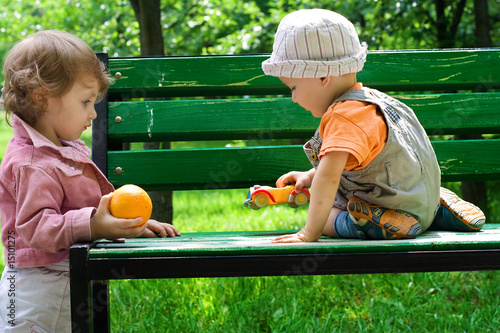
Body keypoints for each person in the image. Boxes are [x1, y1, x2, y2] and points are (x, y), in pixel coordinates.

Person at [0, 30, 180, 332]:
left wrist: (128, 223)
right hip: (38, 292)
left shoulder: (64, 148)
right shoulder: (32, 163)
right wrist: (93, 225)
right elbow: (35, 227)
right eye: (85, 101)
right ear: (41, 99)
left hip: (64, 281)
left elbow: (88, 210)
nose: (94, 114)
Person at [261, 9, 485, 243]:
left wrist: (309, 233)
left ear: (322, 76)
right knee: (417, 206)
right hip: (416, 197)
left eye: (293, 87)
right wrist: (309, 176)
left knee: (327, 217)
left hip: (388, 206)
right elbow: (356, 166)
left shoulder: (343, 117)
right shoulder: (375, 102)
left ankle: (379, 220)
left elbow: (329, 179)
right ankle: (438, 207)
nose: (293, 98)